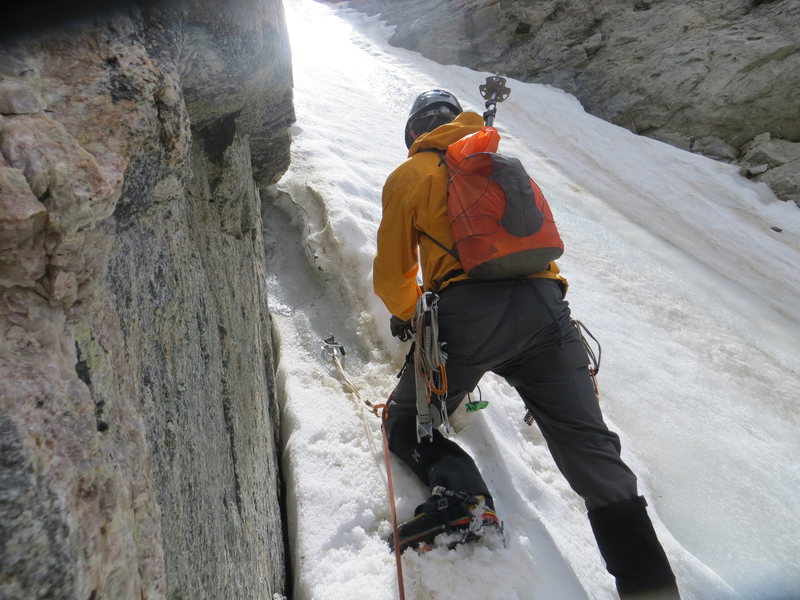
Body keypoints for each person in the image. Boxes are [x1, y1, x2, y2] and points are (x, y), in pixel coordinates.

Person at [372, 89, 680, 599]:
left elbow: (391, 276)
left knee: (407, 422)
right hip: (547, 312)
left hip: (466, 319)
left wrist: (413, 319)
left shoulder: (412, 174)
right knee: (594, 457)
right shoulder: (501, 163)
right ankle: (652, 590)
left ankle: (464, 498)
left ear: (414, 133)